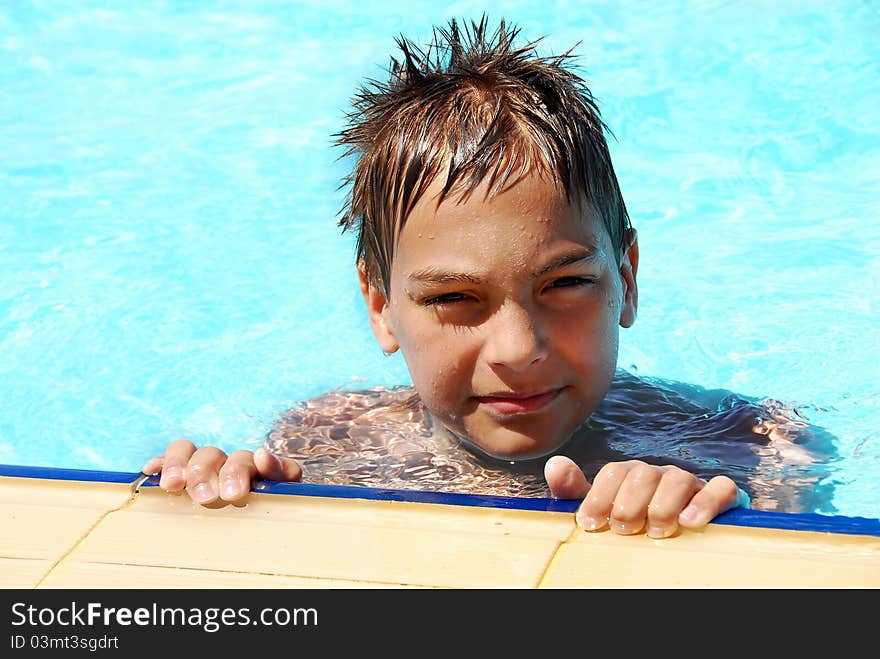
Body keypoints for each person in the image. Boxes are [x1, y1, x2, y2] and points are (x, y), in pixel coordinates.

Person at [143, 17, 830, 538]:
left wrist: (721, 510)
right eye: (453, 297)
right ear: (380, 308)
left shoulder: (746, 441)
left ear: (626, 276)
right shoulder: (326, 442)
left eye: (564, 285)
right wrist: (218, 496)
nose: (517, 348)